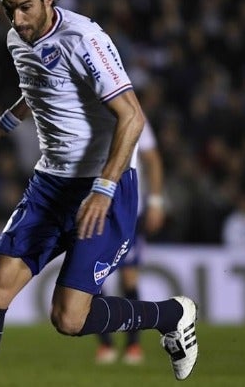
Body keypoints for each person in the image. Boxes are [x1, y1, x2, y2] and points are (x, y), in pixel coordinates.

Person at [0, 0, 198, 386]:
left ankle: (172, 315)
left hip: (102, 188)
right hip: (50, 184)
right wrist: (0, 127)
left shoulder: (84, 38)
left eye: (25, 6)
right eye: (8, 8)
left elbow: (133, 116)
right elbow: (39, 89)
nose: (17, 18)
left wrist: (104, 188)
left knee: (68, 319)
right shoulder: (17, 39)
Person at [95, 118, 166, 365]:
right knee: (92, 277)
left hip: (128, 211)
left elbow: (152, 159)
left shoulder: (135, 116)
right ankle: (105, 345)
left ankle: (133, 345)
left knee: (129, 277)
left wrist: (156, 202)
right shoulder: (88, 111)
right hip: (95, 208)